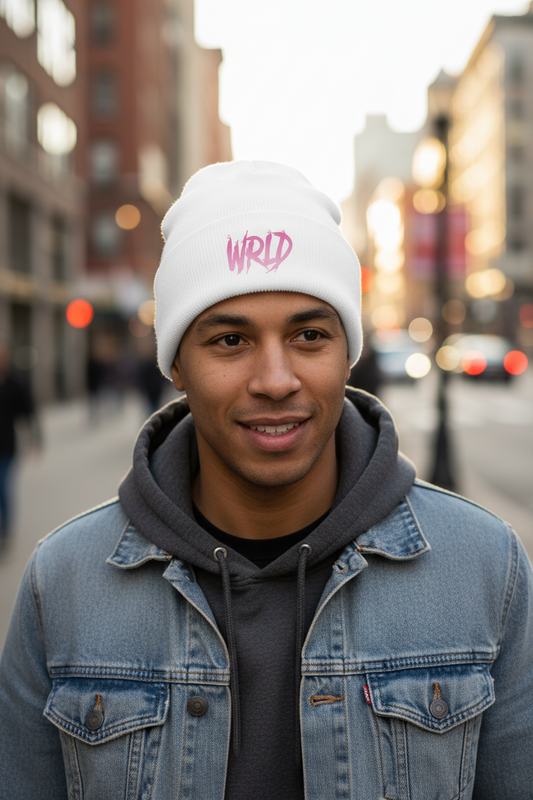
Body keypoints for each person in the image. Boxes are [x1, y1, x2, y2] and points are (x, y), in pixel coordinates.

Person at [0, 161, 532, 800]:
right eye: (231, 340)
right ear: (176, 365)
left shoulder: (485, 568)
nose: (276, 380)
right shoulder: (62, 584)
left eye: (309, 335)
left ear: (347, 353)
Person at [0, 342, 39, 547]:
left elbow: (28, 412)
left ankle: (6, 531)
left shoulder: (14, 383)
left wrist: (35, 439)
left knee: (2, 486)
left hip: (6, 446)